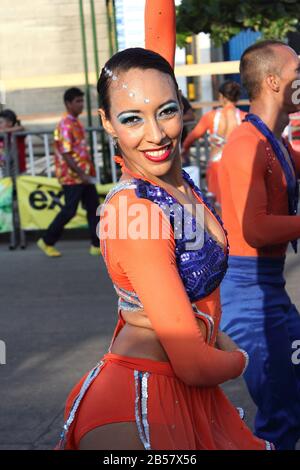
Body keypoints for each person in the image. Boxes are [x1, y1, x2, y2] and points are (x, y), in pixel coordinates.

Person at [56, 44, 272, 451]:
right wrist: (241, 359)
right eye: (132, 119)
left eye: (167, 111)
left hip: (178, 391)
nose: (156, 134)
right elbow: (192, 363)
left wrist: (211, 335)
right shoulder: (136, 213)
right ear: (106, 122)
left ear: (182, 108)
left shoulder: (174, 183)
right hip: (137, 405)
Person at [219, 40, 300, 450]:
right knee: (282, 415)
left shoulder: (276, 141)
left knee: (294, 401)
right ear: (273, 82)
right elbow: (256, 229)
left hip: (270, 291)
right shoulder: (247, 144)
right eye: (296, 72)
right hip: (248, 297)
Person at [37, 87, 100, 257]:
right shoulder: (65, 124)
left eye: (82, 101)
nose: (81, 105)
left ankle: (96, 244)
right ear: (68, 103)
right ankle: (47, 241)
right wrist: (81, 174)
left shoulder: (76, 122)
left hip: (83, 176)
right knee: (70, 210)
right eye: (77, 101)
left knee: (94, 208)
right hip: (72, 177)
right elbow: (65, 153)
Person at [182, 81, 246, 207]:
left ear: (221, 97)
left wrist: (184, 149)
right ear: (237, 97)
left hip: (217, 165)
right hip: (237, 165)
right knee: (236, 203)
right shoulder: (244, 117)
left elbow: (193, 136)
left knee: (216, 205)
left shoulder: (211, 117)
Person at [0, 109, 26, 174]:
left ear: (10, 123)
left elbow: (22, 128)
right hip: (5, 168)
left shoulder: (16, 133)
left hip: (18, 169)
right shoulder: (2, 135)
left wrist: (6, 130)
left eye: (0, 122)